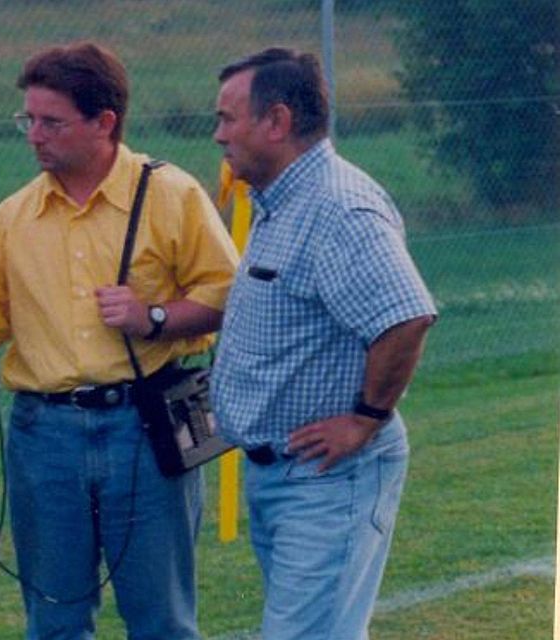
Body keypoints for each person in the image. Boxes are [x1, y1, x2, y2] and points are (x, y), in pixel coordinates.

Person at [0, 41, 238, 639]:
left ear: (104, 123)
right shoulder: (14, 217)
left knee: (162, 619)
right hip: (44, 436)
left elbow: (228, 297)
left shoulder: (170, 195)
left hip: (144, 427)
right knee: (55, 620)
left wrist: (152, 318)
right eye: (29, 120)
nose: (34, 136)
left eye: (51, 122)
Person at [210, 47, 437, 639]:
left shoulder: (337, 207)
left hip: (327, 476)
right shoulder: (279, 201)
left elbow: (406, 315)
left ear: (277, 121)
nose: (218, 136)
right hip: (283, 473)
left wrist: (364, 419)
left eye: (228, 119)